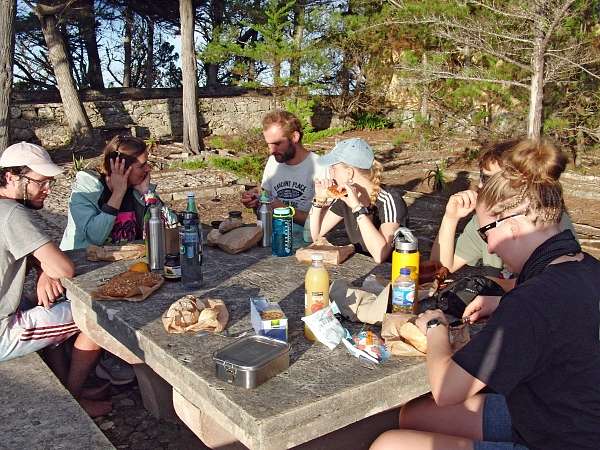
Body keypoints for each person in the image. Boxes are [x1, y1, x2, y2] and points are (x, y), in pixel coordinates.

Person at [370, 139, 600, 450]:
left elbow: (447, 389)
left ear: (514, 226)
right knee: (415, 414)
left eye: (487, 232)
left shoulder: (532, 301)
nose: (489, 247)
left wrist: (436, 326)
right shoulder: (585, 267)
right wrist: (502, 302)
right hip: (553, 411)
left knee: (390, 445)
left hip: (563, 437)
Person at [0, 142, 111, 417]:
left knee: (46, 304)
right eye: (41, 182)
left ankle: (66, 387)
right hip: (3, 334)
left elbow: (37, 257)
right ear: (12, 177)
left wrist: (42, 269)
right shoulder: (12, 214)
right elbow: (64, 268)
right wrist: (49, 269)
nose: (48, 189)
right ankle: (72, 404)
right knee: (101, 317)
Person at [60, 135, 157, 386]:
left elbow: (165, 225)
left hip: (124, 265)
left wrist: (147, 195)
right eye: (142, 165)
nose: (148, 169)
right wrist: (118, 193)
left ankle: (128, 359)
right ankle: (104, 362)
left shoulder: (140, 187)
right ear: (122, 167)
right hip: (84, 269)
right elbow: (95, 236)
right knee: (102, 315)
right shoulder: (87, 186)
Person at [431, 138, 576, 279]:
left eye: (490, 180)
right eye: (482, 177)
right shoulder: (482, 223)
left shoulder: (548, 220)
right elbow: (441, 269)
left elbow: (554, 280)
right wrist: (450, 218)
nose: (481, 186)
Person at [310, 138, 408, 263]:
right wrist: (318, 200)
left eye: (333, 168)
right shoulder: (345, 197)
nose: (330, 174)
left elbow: (380, 255)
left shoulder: (389, 200)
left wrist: (357, 207)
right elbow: (314, 236)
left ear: (349, 172)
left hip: (391, 274)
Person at [240, 110, 326, 227]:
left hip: (308, 243)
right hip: (274, 238)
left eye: (277, 144)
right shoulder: (273, 162)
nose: (271, 151)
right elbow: (265, 206)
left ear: (295, 137)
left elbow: (326, 221)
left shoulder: (320, 167)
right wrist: (255, 202)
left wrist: (286, 211)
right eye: (269, 144)